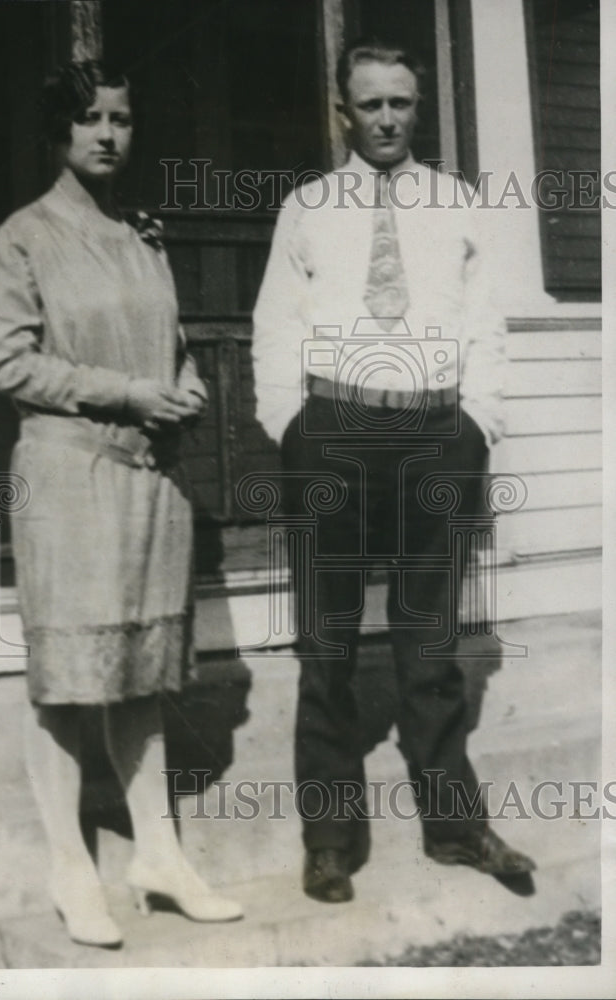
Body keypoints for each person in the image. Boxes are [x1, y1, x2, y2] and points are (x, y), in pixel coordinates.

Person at [252, 39, 536, 904]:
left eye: (400, 104)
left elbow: (488, 326)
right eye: (369, 104)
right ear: (344, 111)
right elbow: (275, 325)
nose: (385, 118)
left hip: (434, 434)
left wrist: (476, 426)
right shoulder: (308, 206)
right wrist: (291, 426)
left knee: (430, 644)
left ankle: (453, 826)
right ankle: (331, 840)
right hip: (333, 431)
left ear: (418, 109)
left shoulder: (459, 204)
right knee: (327, 644)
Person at [0, 60, 243, 948]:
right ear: (59, 129)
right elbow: (9, 363)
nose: (107, 133)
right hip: (66, 477)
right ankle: (70, 868)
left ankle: (158, 857)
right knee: (67, 684)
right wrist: (130, 391)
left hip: (146, 480)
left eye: (122, 118)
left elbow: (169, 349)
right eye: (90, 117)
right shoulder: (24, 236)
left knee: (139, 674)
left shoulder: (144, 236)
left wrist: (183, 387)